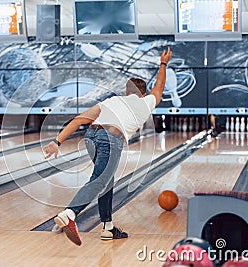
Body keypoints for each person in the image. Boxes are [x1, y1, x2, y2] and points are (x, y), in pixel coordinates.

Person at [43, 48, 173, 246]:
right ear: (142, 94)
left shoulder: (111, 101)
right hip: (110, 140)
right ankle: (70, 213)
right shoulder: (146, 102)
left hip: (90, 137)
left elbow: (79, 120)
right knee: (99, 180)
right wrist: (163, 64)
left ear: (126, 92)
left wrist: (57, 141)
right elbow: (160, 88)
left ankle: (108, 227)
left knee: (106, 181)